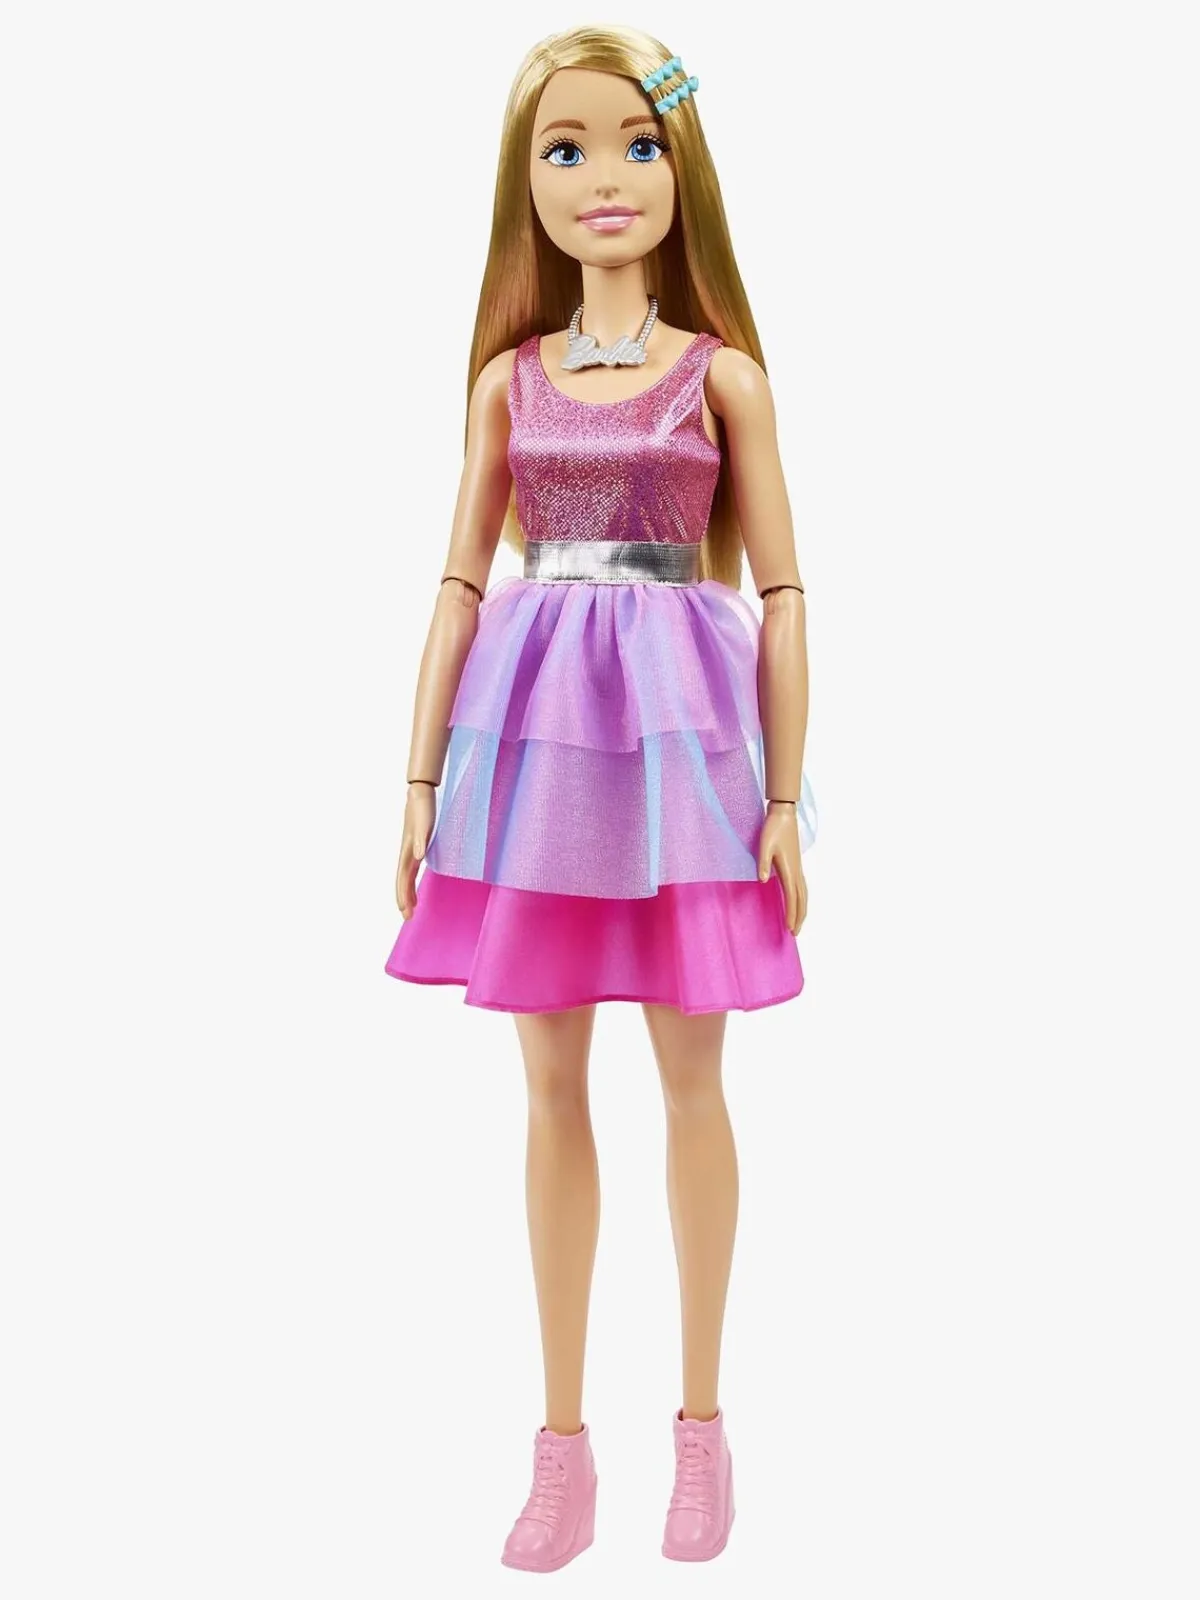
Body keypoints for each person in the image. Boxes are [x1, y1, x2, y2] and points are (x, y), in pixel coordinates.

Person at [384, 26, 817, 1570]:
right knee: (550, 1087)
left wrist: (785, 797)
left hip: (687, 744)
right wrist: (419, 774)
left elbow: (783, 591)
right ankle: (561, 1448)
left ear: (682, 166)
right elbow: (457, 578)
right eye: (562, 150)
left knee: (692, 1079)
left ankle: (701, 1434)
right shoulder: (509, 383)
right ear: (527, 185)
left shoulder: (724, 377)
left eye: (636, 142)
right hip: (538, 742)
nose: (602, 177)